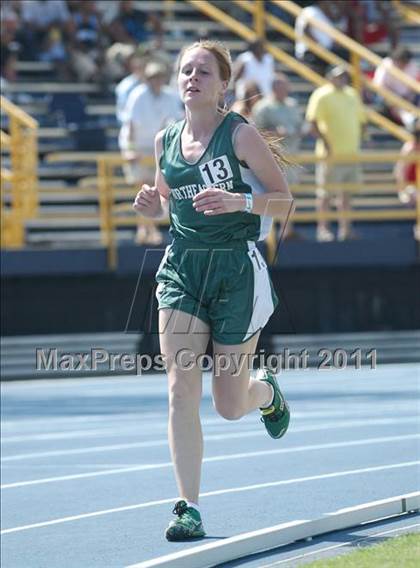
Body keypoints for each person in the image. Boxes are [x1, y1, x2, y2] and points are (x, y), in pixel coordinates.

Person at [133, 40, 292, 541]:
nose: (192, 77)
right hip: (182, 268)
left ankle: (264, 391)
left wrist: (240, 200)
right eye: (186, 70)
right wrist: (150, 204)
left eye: (204, 71)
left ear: (223, 85)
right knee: (181, 388)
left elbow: (283, 202)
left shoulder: (239, 135)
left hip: (234, 272)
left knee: (227, 404)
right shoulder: (165, 140)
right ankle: (188, 507)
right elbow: (164, 200)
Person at [122, 60, 182, 244]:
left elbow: (176, 123)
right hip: (139, 147)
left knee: (155, 189)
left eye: (159, 76)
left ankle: (146, 229)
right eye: (153, 77)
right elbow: (130, 126)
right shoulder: (138, 95)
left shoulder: (170, 96)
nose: (156, 80)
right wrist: (130, 151)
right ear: (147, 79)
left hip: (160, 148)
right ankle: (147, 229)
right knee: (144, 190)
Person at [306, 66, 366, 241]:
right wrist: (326, 144)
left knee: (346, 195)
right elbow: (312, 122)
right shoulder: (322, 94)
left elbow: (361, 120)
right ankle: (323, 230)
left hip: (351, 154)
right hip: (330, 156)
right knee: (326, 195)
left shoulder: (352, 94)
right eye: (338, 76)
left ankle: (345, 229)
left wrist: (360, 138)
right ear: (329, 77)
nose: (342, 79)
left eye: (344, 76)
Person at [252, 73, 304, 239]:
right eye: (281, 87)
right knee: (271, 195)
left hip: (291, 156)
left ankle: (287, 231)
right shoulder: (263, 107)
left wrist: (299, 131)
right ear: (274, 88)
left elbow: (300, 126)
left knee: (290, 195)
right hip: (271, 159)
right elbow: (254, 133)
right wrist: (276, 133)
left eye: (286, 87)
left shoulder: (292, 105)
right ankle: (269, 233)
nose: (285, 90)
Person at [373, 47, 419, 129]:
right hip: (385, 96)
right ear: (396, 59)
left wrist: (406, 98)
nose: (403, 64)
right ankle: (409, 121)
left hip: (405, 98)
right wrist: (393, 98)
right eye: (402, 61)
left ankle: (411, 120)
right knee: (393, 101)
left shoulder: (412, 67)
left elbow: (412, 90)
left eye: (405, 61)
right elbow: (378, 86)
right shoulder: (386, 64)